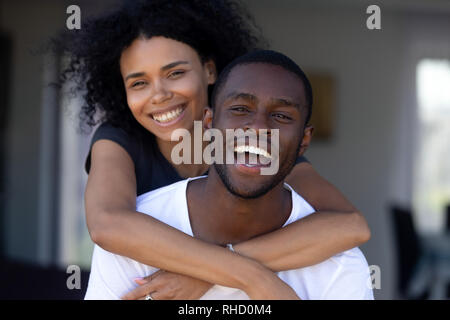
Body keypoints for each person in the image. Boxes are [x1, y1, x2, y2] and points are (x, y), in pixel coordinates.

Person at [56, 0, 370, 299]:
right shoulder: (120, 139)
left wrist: (206, 274)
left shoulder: (257, 150)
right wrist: (250, 275)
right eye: (139, 83)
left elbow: (350, 226)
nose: (160, 95)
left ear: (209, 71)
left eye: (175, 73)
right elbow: (108, 224)